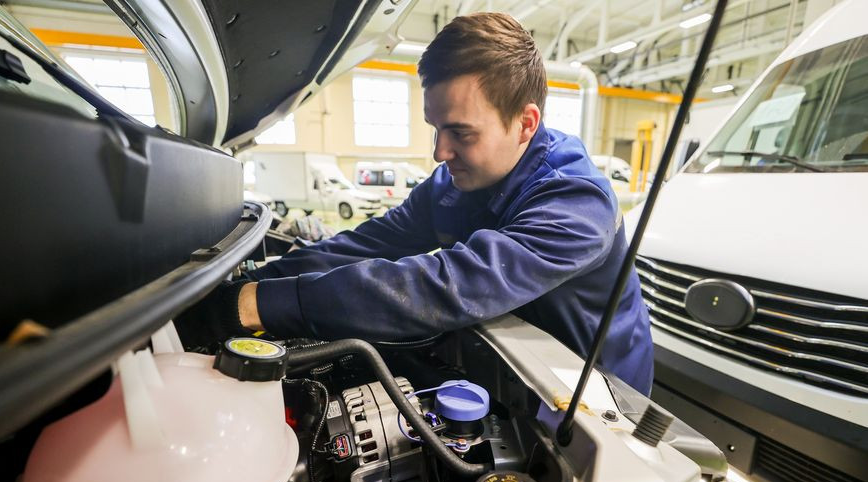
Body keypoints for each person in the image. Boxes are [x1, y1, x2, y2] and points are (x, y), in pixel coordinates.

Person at [178, 12, 654, 395]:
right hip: (502, 368)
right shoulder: (454, 182)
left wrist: (264, 305)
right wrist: (249, 284)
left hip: (594, 405)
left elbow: (449, 285)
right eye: (435, 128)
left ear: (526, 124)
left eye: (461, 133)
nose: (440, 152)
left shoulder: (576, 202)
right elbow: (365, 245)